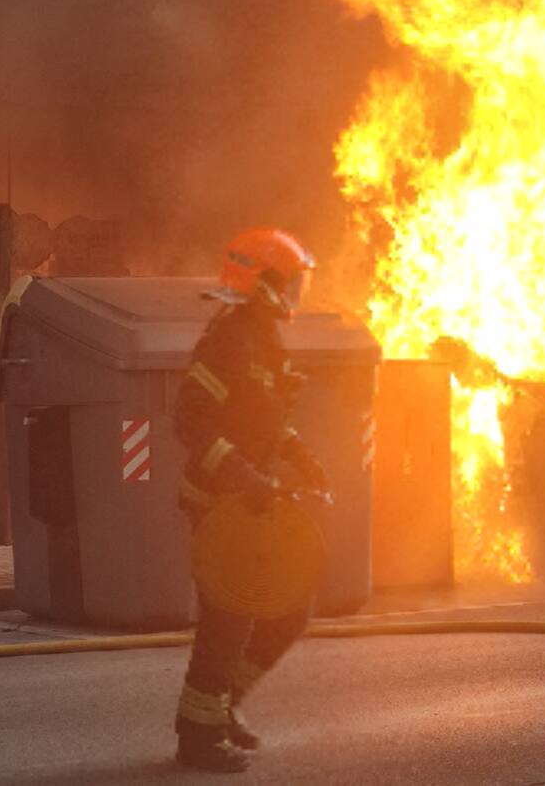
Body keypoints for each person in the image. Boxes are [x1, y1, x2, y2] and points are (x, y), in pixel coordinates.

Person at [172, 227, 327, 773]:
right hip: (219, 504)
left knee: (286, 612)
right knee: (227, 622)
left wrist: (302, 457)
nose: (297, 293)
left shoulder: (265, 341)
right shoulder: (229, 339)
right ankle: (198, 737)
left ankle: (222, 709)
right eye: (292, 282)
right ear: (264, 283)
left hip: (253, 503)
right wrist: (239, 473)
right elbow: (190, 419)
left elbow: (267, 422)